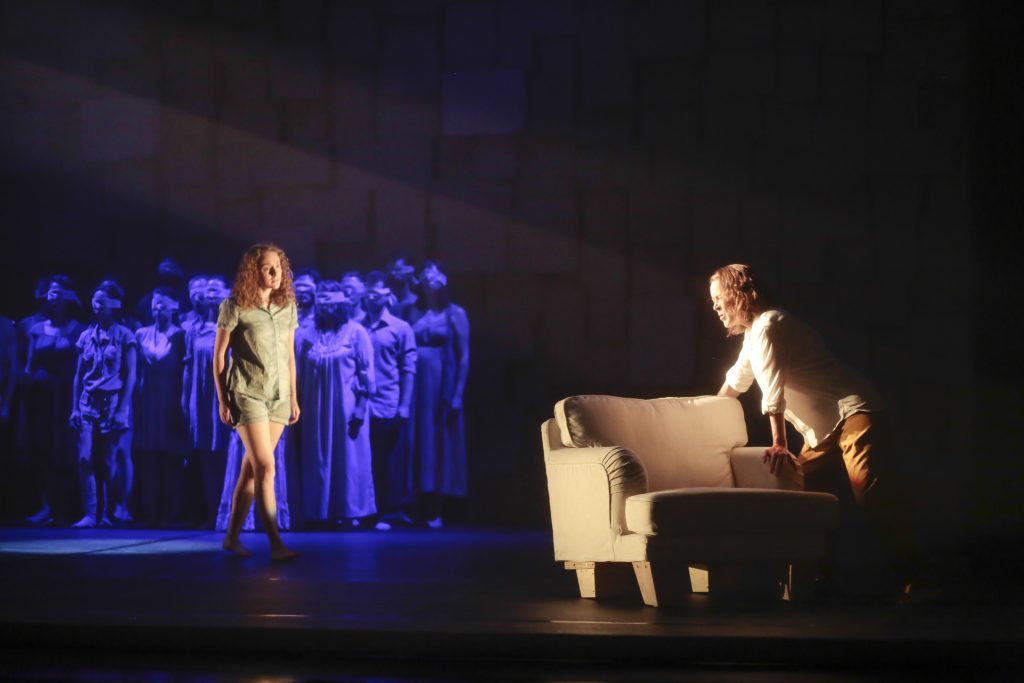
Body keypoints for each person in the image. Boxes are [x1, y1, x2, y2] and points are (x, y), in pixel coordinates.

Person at [708, 264, 918, 597]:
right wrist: (700, 416)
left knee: (870, 492)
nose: (716, 307)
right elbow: (734, 382)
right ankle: (810, 580)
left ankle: (919, 577)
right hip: (822, 430)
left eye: (719, 298)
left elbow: (771, 391)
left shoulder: (770, 326)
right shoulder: (754, 334)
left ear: (737, 294)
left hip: (853, 413)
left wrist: (779, 444)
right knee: (798, 495)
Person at [215, 243, 299, 560]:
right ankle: (276, 544)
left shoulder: (287, 307)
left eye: (279, 266)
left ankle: (231, 538)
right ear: (254, 271)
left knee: (252, 471)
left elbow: (290, 356)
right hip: (247, 393)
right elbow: (219, 356)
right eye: (267, 267)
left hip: (278, 396)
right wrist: (222, 399)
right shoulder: (235, 306)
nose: (275, 273)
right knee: (267, 466)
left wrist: (293, 397)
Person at [297, 280, 376, 529]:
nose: (326, 307)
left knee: (349, 458)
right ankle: (320, 511)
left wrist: (361, 407)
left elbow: (366, 372)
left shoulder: (356, 332)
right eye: (323, 302)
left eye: (332, 302)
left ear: (341, 304)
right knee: (317, 457)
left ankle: (351, 510)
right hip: (314, 407)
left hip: (346, 407)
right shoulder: (306, 334)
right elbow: (297, 372)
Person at [69, 281, 137, 528]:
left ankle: (108, 513)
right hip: (88, 402)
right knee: (84, 458)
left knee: (109, 460)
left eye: (102, 302)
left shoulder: (124, 335)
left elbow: (130, 375)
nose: (97, 306)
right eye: (95, 301)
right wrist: (75, 407)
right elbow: (78, 375)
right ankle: (90, 512)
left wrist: (122, 409)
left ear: (114, 305)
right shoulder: (86, 335)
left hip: (113, 402)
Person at [406, 262, 469, 528]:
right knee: (416, 441)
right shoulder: (413, 311)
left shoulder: (455, 313)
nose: (430, 278)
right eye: (426, 275)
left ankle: (437, 508)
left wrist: (457, 393)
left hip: (441, 381)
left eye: (435, 274)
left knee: (440, 441)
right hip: (416, 383)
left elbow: (464, 355)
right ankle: (414, 504)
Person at [22, 276, 84, 525]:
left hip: (66, 395)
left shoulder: (78, 329)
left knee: (66, 452)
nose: (54, 296)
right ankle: (45, 506)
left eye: (59, 292)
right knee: (42, 450)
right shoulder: (36, 329)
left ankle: (65, 508)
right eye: (50, 291)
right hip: (41, 397)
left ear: (69, 297)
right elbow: (28, 367)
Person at [362, 271, 416, 530]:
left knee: (388, 460)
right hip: (362, 406)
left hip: (388, 402)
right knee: (365, 460)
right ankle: (367, 511)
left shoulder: (400, 328)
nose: (372, 297)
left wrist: (404, 405)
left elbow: (408, 369)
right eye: (369, 292)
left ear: (387, 295)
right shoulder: (357, 326)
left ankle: (388, 511)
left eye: (378, 292)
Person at [133, 288, 186, 527]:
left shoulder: (181, 335)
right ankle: (150, 511)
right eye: (154, 306)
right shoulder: (141, 334)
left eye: (162, 305)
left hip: (170, 399)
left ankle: (172, 512)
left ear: (173, 307)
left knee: (170, 459)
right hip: (147, 400)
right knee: (149, 458)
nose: (157, 310)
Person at [182, 275, 232, 527]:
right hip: (200, 397)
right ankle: (212, 511)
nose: (211, 295)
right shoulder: (193, 329)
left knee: (226, 453)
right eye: (208, 291)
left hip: (226, 396)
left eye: (216, 290)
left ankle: (229, 512)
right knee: (204, 453)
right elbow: (188, 368)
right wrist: (185, 399)